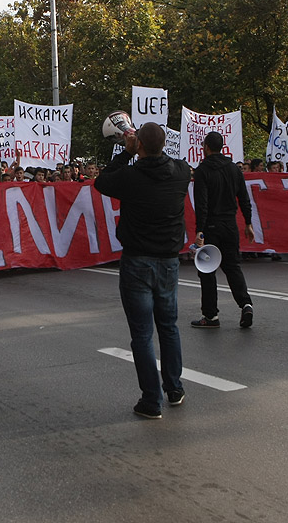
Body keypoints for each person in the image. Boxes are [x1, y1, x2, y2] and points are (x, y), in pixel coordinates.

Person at [94, 122, 191, 420]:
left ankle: (151, 400)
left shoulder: (130, 176)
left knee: (142, 333)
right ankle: (174, 388)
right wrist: (144, 145)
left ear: (140, 147)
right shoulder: (181, 172)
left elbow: (101, 182)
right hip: (169, 261)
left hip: (137, 261)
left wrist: (126, 153)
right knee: (169, 327)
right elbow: (173, 161)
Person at [191, 131, 256, 330]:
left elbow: (201, 203)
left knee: (207, 271)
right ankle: (245, 304)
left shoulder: (202, 170)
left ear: (206, 147)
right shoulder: (234, 169)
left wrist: (200, 230)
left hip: (211, 225)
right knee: (233, 267)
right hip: (230, 224)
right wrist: (248, 222)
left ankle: (210, 316)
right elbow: (244, 198)